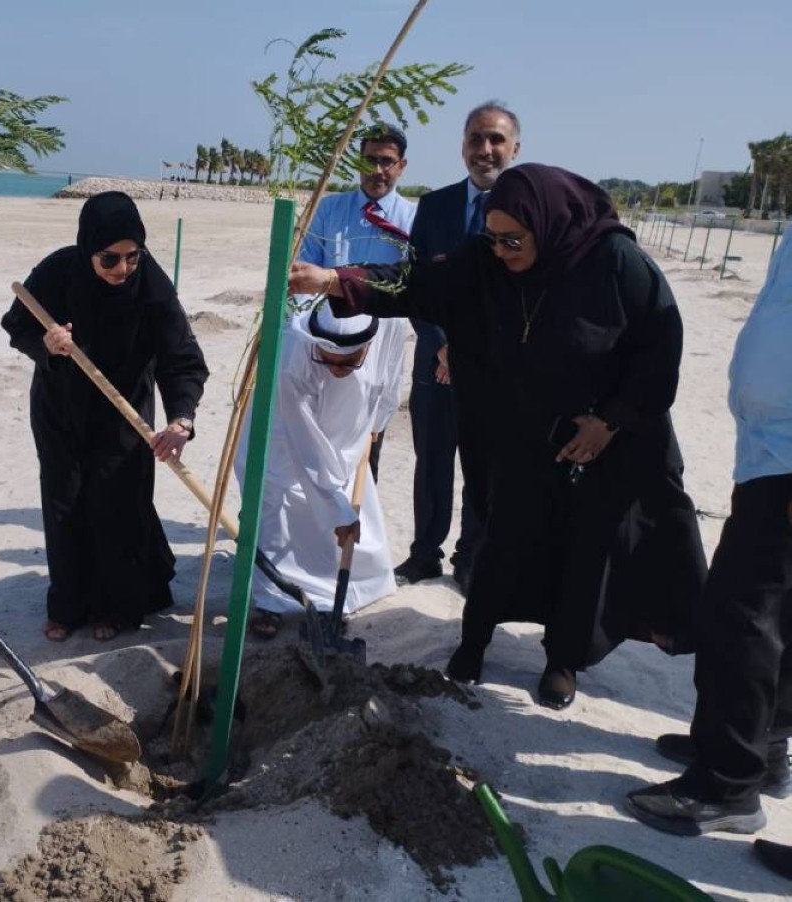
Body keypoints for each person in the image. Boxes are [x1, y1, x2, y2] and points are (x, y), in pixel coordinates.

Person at [289, 163, 706, 708]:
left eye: (514, 240)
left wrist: (609, 421)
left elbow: (661, 342)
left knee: (580, 553)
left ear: (549, 225)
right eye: (493, 238)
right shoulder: (485, 261)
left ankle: (562, 661)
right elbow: (419, 284)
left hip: (596, 442)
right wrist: (339, 280)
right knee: (502, 539)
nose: (502, 251)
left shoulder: (613, 260)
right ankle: (475, 639)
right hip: (520, 433)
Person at [626, 228, 792, 838]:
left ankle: (726, 785)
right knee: (777, 614)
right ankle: (759, 749)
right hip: (770, 451)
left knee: (741, 617)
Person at [1, 192, 208, 642]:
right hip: (61, 408)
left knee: (117, 503)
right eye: (109, 259)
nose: (122, 270)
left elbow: (182, 359)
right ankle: (68, 605)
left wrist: (181, 420)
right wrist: (46, 345)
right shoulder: (57, 271)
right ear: (87, 248)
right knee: (65, 502)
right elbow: (17, 324)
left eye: (132, 257)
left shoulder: (151, 286)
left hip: (125, 412)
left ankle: (118, 606)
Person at [397, 101, 521, 594]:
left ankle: (470, 556)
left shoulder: (525, 210)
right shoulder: (435, 206)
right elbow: (416, 287)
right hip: (436, 363)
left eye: (495, 140)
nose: (485, 150)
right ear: (463, 145)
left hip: (494, 370)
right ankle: (424, 552)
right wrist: (444, 347)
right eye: (476, 139)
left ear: (515, 147)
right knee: (432, 459)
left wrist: (471, 351)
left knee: (483, 465)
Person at [236, 303, 409, 638]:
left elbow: (389, 376)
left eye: (348, 361)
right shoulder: (292, 357)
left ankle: (332, 601)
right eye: (327, 359)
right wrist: (337, 512)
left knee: (339, 507)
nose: (336, 368)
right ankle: (270, 601)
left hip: (346, 426)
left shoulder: (390, 325)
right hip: (281, 436)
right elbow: (305, 448)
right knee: (277, 510)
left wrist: (375, 425)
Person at [298, 122, 415, 481]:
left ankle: (356, 532)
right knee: (313, 448)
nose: (376, 170)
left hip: (381, 354)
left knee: (365, 453)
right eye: (368, 160)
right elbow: (303, 273)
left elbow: (416, 288)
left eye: (386, 161)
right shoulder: (328, 210)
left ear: (401, 165)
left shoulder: (415, 220)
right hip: (325, 347)